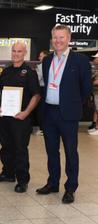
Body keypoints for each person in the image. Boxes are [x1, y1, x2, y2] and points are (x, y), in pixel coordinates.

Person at [36, 24, 92, 204]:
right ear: (51, 39)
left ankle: (70, 188)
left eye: (61, 37)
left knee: (70, 151)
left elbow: (86, 87)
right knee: (51, 151)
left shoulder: (80, 60)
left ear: (69, 39)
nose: (58, 41)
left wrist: (72, 103)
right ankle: (53, 183)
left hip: (68, 114)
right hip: (49, 113)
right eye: (55, 37)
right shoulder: (46, 61)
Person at [0, 42, 40, 193]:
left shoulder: (30, 73)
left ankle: (23, 180)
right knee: (6, 147)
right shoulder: (5, 72)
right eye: (14, 51)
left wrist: (26, 113)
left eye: (19, 51)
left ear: (25, 53)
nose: (16, 54)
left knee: (20, 149)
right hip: (5, 117)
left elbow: (36, 95)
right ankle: (8, 173)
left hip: (20, 118)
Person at [34, 50, 50, 136]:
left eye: (41, 56)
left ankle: (41, 128)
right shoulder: (52, 65)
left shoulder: (41, 66)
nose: (39, 58)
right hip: (49, 89)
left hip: (41, 89)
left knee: (40, 109)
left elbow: (38, 79)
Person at [88, 53, 98, 135]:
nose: (94, 60)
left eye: (95, 58)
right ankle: (96, 126)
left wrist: (88, 84)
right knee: (96, 110)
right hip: (95, 92)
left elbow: (96, 82)